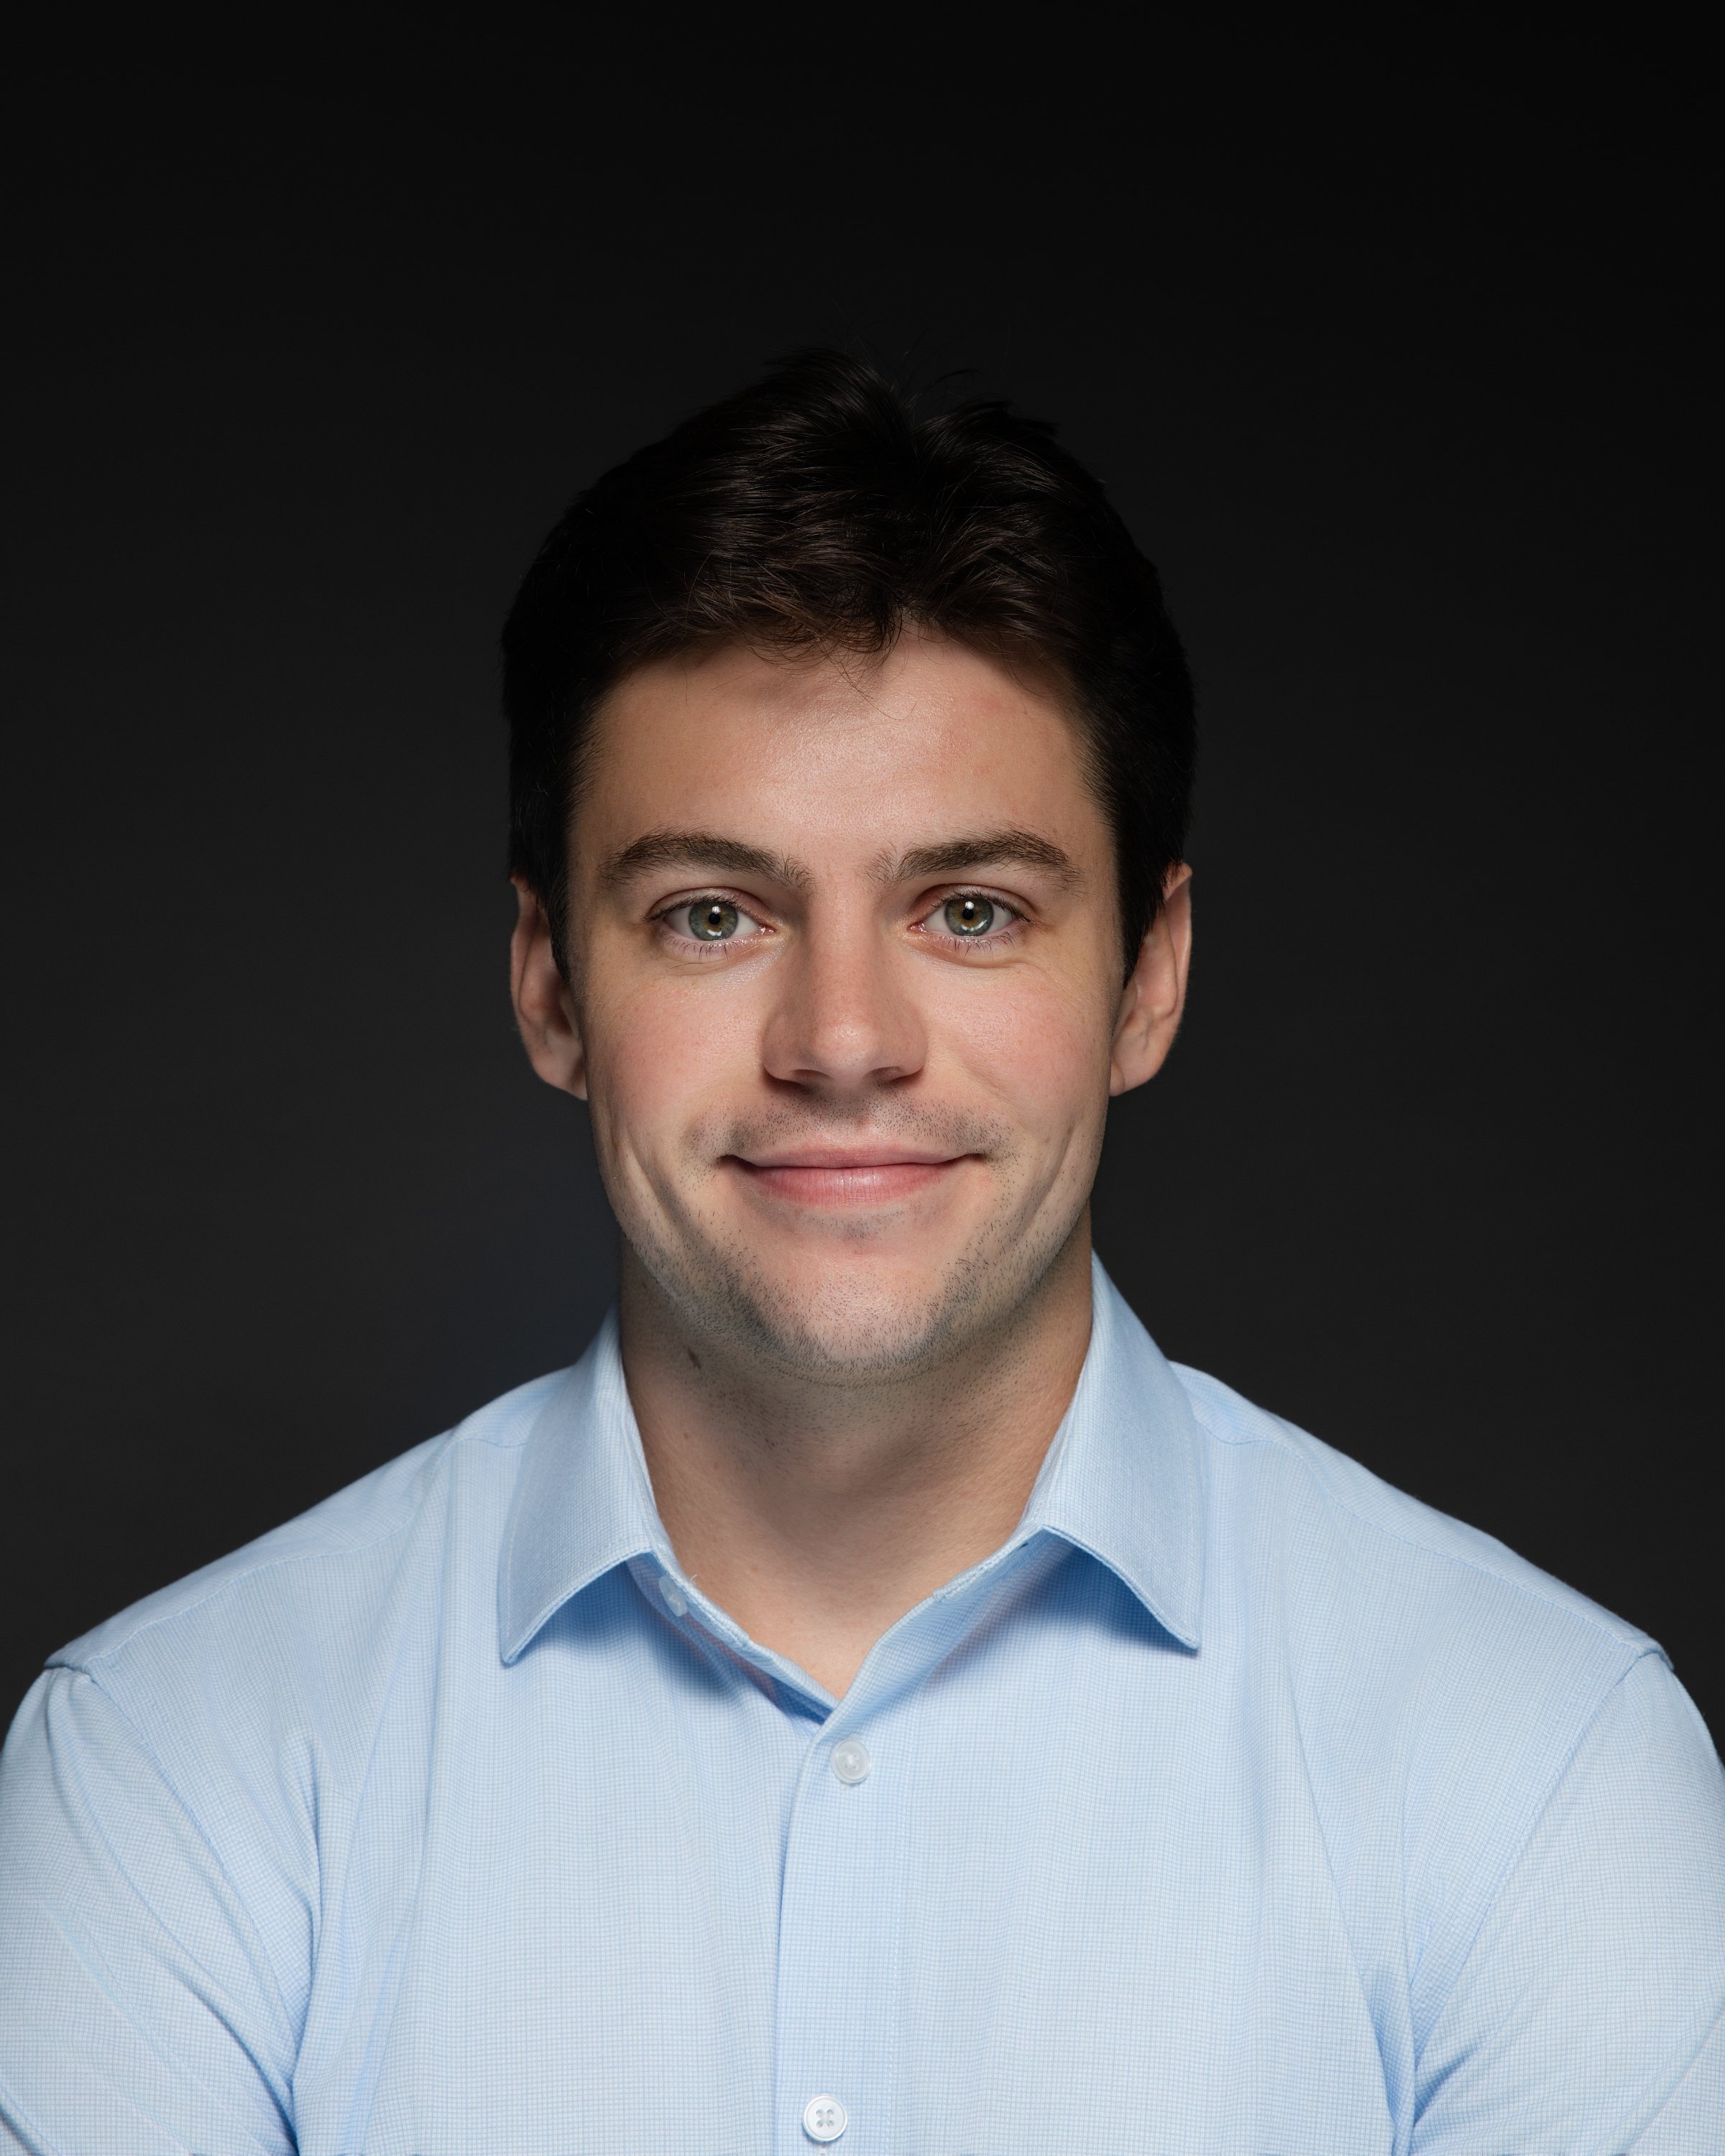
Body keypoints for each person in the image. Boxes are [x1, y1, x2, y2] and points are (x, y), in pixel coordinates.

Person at [1, 352, 1719, 2156]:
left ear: (1149, 976)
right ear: (546, 987)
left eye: (970, 910)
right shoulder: (167, 1774)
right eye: (713, 914)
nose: (841, 1039)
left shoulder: (1545, 1768)